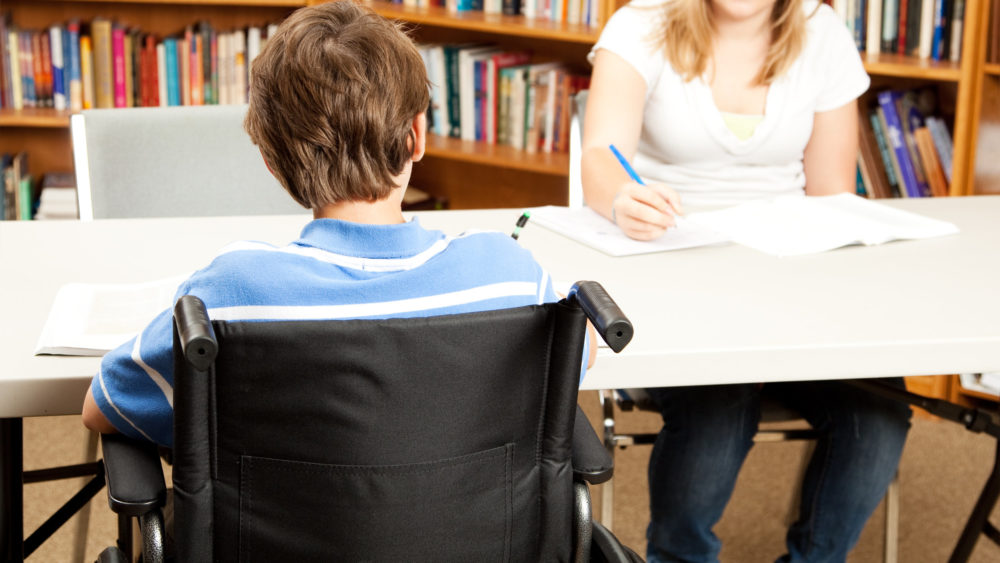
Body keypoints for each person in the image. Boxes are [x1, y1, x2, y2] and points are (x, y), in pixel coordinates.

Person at [82, 0, 593, 447]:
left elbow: (102, 407)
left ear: (271, 161)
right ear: (418, 135)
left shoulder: (229, 294)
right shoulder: (510, 274)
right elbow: (580, 352)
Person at [582, 0, 912, 561]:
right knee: (719, 406)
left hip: (793, 289)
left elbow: (831, 194)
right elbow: (599, 157)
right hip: (677, 282)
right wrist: (622, 198)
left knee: (878, 413)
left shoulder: (823, 33)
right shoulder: (641, 24)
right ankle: (678, 556)